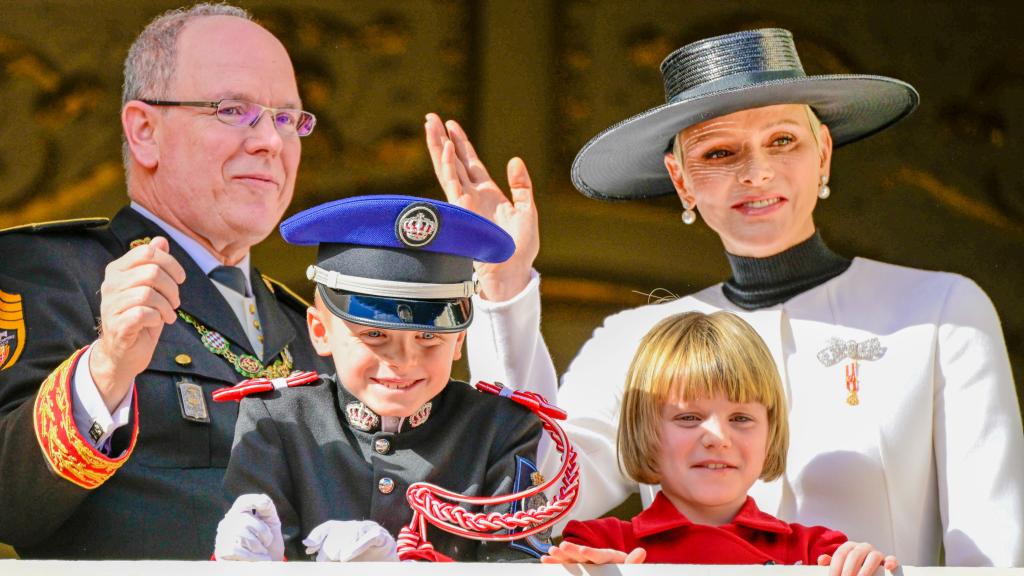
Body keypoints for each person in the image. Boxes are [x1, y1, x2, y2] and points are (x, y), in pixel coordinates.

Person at [427, 28, 1024, 566]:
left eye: (783, 140)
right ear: (681, 179)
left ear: (824, 153)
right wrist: (503, 281)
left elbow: (995, 551)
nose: (756, 172)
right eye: (719, 152)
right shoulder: (633, 341)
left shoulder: (942, 312)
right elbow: (542, 497)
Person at [0, 4, 329, 558]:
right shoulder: (50, 273)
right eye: (234, 110)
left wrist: (497, 297)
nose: (271, 142)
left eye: (286, 119)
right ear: (145, 130)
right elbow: (9, 504)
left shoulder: (310, 329)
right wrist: (104, 370)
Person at [215, 195, 550, 562]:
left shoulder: (500, 430)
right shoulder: (277, 420)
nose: (403, 362)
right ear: (320, 331)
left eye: (428, 337)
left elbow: (518, 567)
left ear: (458, 341)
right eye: (374, 335)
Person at [543, 311, 897, 572]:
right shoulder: (600, 544)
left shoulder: (818, 551)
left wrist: (867, 566)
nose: (717, 437)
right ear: (644, 429)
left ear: (770, 432)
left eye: (741, 418)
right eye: (688, 418)